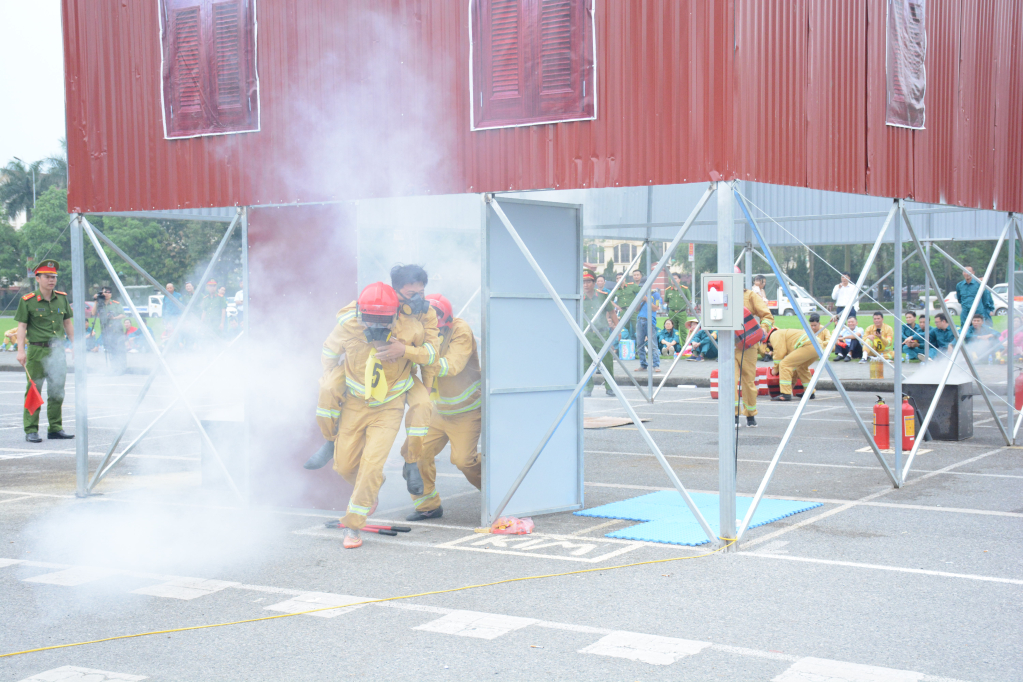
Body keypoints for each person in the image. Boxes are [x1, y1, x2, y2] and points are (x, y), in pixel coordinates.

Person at [314, 280, 438, 549]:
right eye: (370, 320)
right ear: (360, 314)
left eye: (383, 321)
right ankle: (372, 485)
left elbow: (430, 356)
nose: (376, 327)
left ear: (395, 313)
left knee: (371, 464)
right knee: (344, 466)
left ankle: (353, 527)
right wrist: (332, 377)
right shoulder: (348, 324)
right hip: (355, 405)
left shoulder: (411, 327)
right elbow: (328, 352)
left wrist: (403, 350)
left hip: (389, 405)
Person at [402, 294, 482, 520]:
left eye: (435, 318)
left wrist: (409, 353)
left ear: (445, 319)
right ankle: (428, 506)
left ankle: (499, 493)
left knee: (464, 461)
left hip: (467, 410)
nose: (431, 322)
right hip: (439, 410)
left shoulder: (460, 330)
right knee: (415, 453)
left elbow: (450, 366)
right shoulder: (421, 329)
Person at [15, 260, 74, 443]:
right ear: (38, 279)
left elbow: (67, 324)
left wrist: (76, 346)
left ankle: (55, 428)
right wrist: (20, 351)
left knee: (57, 390)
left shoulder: (62, 298)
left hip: (57, 352)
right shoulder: (28, 301)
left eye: (54, 277)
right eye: (47, 277)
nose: (52, 280)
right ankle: (31, 429)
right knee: (34, 390)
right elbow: (22, 327)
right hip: (37, 351)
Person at [736, 275, 774, 426]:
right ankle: (733, 415)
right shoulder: (721, 295)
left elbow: (767, 316)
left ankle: (750, 415)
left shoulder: (750, 296)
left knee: (748, 381)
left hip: (748, 345)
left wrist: (763, 329)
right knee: (730, 382)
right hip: (728, 346)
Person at [582, 268, 618, 397]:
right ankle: (587, 387)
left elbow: (612, 313)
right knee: (585, 362)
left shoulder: (603, 296)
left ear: (594, 282)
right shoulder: (580, 298)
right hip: (586, 335)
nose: (585, 285)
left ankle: (610, 387)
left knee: (607, 361)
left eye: (588, 281)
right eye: (583, 282)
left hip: (602, 333)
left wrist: (617, 329)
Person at [766, 327, 820, 402]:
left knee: (784, 364)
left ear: (768, 343)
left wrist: (775, 369)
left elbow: (779, 353)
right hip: (817, 346)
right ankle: (810, 392)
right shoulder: (785, 335)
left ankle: (785, 395)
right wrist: (792, 384)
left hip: (808, 345)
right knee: (801, 367)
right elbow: (793, 368)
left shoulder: (774, 335)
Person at [96, 287, 126, 374]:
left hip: (116, 330)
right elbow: (93, 313)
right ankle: (113, 368)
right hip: (106, 330)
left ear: (110, 294)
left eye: (108, 292)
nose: (106, 294)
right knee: (110, 350)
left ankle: (121, 368)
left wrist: (114, 318)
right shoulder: (100, 304)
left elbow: (123, 315)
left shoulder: (115, 304)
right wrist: (96, 300)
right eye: (104, 292)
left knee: (118, 349)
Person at [635, 289, 664, 372]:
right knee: (640, 344)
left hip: (650, 320)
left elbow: (655, 308)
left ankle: (656, 365)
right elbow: (636, 309)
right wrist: (639, 300)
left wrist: (646, 299)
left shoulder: (655, 294)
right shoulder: (640, 293)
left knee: (653, 343)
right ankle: (643, 364)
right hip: (640, 320)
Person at [615, 269, 643, 337]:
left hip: (632, 310)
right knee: (624, 329)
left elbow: (642, 293)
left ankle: (640, 345)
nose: (619, 279)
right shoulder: (616, 289)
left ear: (624, 279)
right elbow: (610, 300)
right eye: (617, 278)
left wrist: (638, 305)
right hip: (623, 311)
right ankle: (627, 344)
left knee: (637, 328)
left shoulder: (631, 286)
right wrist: (617, 307)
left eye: (620, 278)